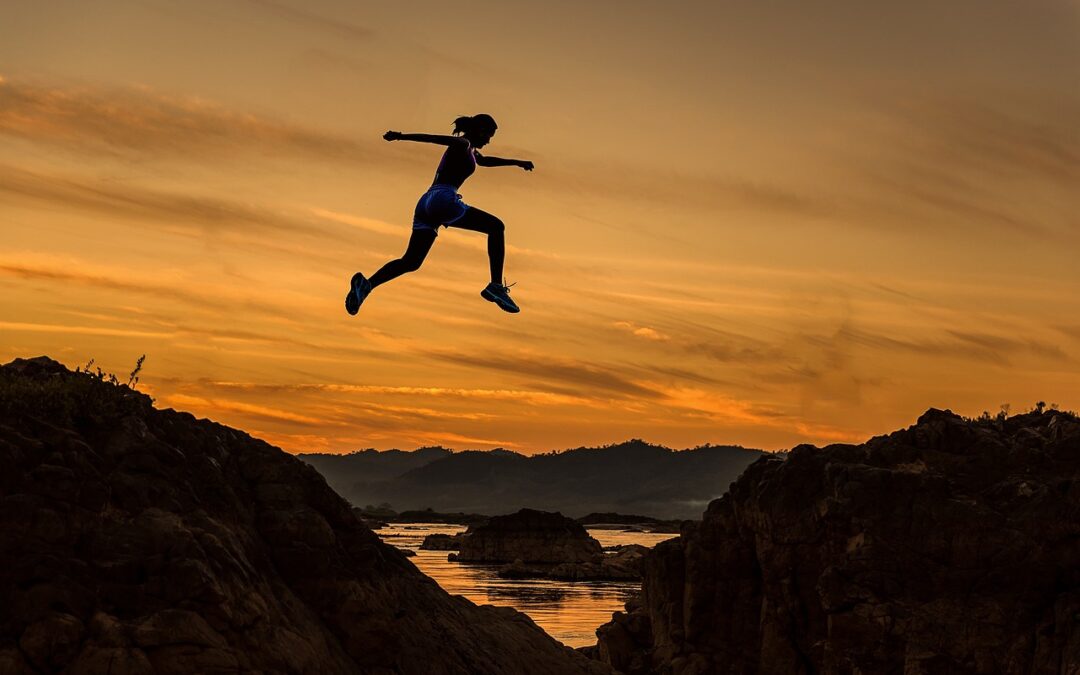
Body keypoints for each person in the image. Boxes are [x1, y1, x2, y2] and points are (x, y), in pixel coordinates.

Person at [345, 114, 534, 316]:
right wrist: (401, 136)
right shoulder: (462, 143)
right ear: (479, 129)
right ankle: (495, 285)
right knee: (496, 227)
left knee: (411, 261)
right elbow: (434, 138)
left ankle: (367, 285)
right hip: (443, 198)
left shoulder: (471, 151)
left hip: (426, 202)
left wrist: (517, 162)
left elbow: (485, 161)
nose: (489, 140)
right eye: (489, 134)